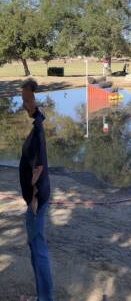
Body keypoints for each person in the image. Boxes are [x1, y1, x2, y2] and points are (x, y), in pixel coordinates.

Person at [19, 79, 53, 300]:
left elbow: (38, 168)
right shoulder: (38, 123)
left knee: (39, 250)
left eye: (27, 100)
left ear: (35, 99)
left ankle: (45, 298)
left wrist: (33, 199)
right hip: (38, 197)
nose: (24, 104)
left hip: (37, 200)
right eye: (23, 99)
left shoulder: (37, 135)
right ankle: (43, 296)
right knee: (35, 247)